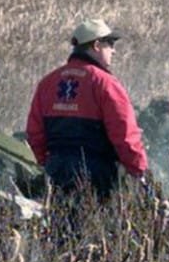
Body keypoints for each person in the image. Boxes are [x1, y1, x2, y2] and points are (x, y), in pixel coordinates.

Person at [26, 19, 149, 206]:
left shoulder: (48, 82)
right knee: (94, 229)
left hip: (56, 170)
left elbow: (35, 132)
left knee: (62, 229)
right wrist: (138, 170)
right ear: (97, 45)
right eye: (110, 44)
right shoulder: (105, 83)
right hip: (96, 173)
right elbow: (124, 133)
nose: (113, 50)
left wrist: (47, 162)